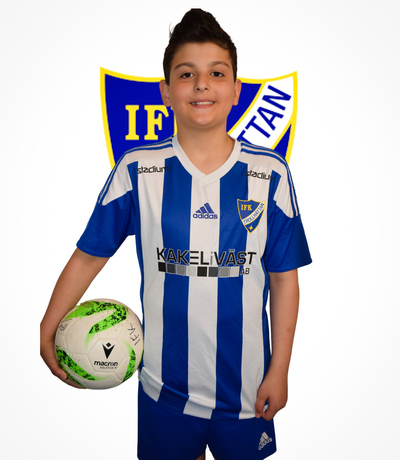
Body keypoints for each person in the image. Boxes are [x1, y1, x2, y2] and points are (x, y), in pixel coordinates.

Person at [40, 8, 312, 460]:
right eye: (187, 74)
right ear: (166, 91)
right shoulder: (137, 170)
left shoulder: (270, 173)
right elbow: (89, 255)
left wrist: (279, 369)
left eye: (216, 73)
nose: (202, 84)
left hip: (247, 389)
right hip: (163, 388)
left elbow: (285, 279)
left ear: (236, 90)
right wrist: (49, 325)